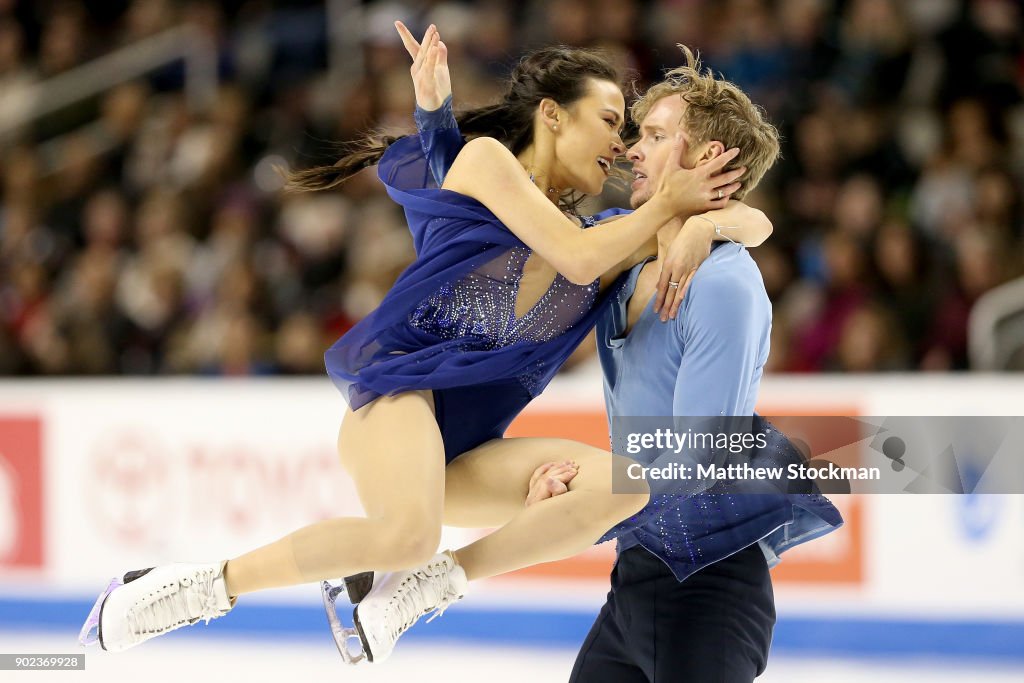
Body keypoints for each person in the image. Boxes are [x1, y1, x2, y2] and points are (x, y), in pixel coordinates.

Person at [80, 27, 771, 663]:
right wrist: (670, 210)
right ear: (553, 115)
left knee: (626, 483)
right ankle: (194, 586)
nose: (621, 147)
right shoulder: (491, 164)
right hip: (398, 398)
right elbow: (575, 255)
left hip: (466, 447)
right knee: (408, 533)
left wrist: (703, 227)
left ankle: (433, 585)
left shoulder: (614, 229)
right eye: (612, 121)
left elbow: (755, 221)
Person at [380, 28, 844, 680]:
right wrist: (434, 116)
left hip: (706, 588)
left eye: (655, 135)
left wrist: (572, 501)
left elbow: (699, 462)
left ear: (708, 156)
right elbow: (479, 217)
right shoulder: (618, 251)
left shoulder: (724, 285)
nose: (631, 149)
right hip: (638, 579)